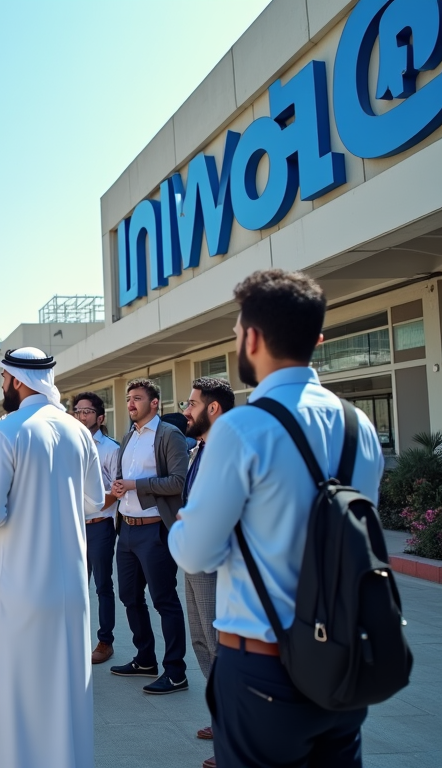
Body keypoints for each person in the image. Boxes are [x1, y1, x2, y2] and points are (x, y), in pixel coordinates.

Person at [169, 269, 385, 768]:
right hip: (345, 658)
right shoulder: (360, 426)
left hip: (264, 664)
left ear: (253, 338)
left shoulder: (243, 427)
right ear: (319, 339)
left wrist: (190, 523)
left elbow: (195, 551)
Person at [0, 348, 105, 768]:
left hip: (20, 587)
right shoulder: (78, 431)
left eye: (3, 379)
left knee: (19, 695)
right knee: (67, 691)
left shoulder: (7, 431)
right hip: (72, 590)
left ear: (17, 380)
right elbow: (95, 501)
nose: (2, 387)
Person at [109, 378, 190, 695]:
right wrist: (119, 486)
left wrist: (134, 486)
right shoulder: (129, 436)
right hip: (126, 528)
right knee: (128, 596)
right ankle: (145, 659)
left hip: (155, 530)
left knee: (164, 601)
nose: (130, 403)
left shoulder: (169, 435)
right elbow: (126, 477)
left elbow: (178, 482)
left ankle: (176, 671)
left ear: (155, 403)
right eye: (128, 398)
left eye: (137, 398)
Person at [179, 376, 235, 765]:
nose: (186, 410)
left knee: (220, 645)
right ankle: (222, 718)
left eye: (192, 404)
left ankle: (234, 734)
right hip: (194, 558)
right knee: (200, 639)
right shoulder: (201, 447)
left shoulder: (228, 450)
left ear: (212, 409)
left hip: (216, 563)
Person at [73, 391, 120, 665]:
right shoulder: (70, 445)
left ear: (100, 417)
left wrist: (90, 509)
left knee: (102, 585)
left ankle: (105, 641)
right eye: (78, 411)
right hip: (74, 527)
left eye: (87, 411)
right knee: (76, 585)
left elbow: (115, 490)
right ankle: (76, 638)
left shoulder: (111, 449)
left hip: (99, 527)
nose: (81, 415)